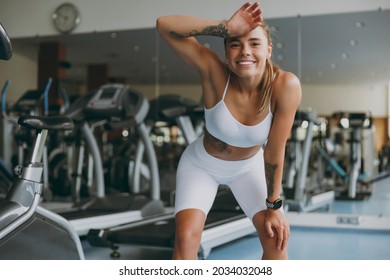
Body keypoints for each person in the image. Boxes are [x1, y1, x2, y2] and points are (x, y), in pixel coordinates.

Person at [156, 1, 302, 260]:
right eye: (235, 43)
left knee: (276, 242)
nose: (245, 51)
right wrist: (225, 27)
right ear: (226, 51)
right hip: (201, 165)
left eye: (255, 44)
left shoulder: (285, 85)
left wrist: (274, 206)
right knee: (186, 240)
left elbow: (275, 150)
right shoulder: (213, 70)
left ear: (268, 49)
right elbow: (164, 25)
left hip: (248, 168)